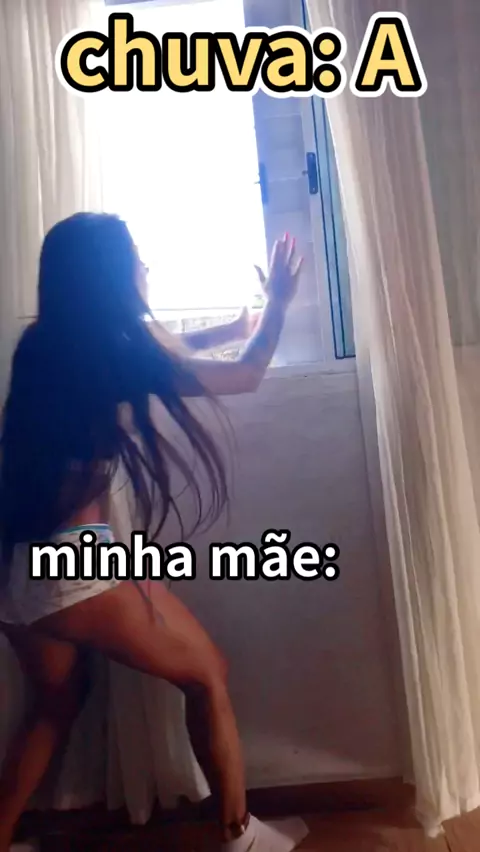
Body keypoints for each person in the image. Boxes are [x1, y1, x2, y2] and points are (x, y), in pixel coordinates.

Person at [0, 213, 307, 852]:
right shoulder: (110, 353)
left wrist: (232, 326)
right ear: (109, 275)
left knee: (57, 703)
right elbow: (247, 375)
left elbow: (158, 353)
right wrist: (277, 305)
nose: (144, 267)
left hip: (14, 566)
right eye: (135, 258)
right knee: (208, 673)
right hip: (68, 570)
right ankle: (240, 837)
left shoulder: (46, 343)